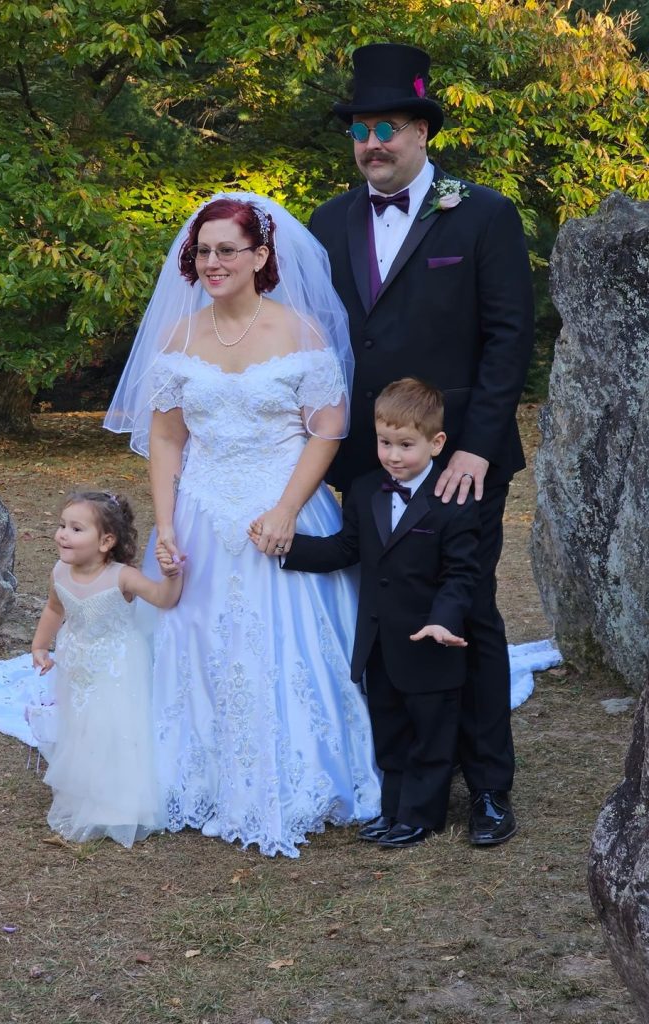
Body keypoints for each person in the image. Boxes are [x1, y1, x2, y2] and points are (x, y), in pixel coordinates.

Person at [104, 194, 380, 858]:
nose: (213, 261)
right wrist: (166, 526)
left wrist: (286, 509)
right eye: (203, 250)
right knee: (194, 644)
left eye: (228, 249)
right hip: (200, 516)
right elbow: (167, 439)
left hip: (282, 509)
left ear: (261, 256)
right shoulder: (180, 338)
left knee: (290, 648)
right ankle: (199, 774)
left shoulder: (299, 332)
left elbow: (328, 429)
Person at [309, 43, 535, 845]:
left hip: (457, 456)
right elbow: (314, 339)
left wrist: (471, 448)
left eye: (389, 127)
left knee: (465, 609)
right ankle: (410, 786)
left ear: (421, 130)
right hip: (368, 456)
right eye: (361, 128)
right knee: (386, 617)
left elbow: (510, 337)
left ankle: (491, 788)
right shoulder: (327, 222)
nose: (373, 142)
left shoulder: (482, 212)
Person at [260, 379, 481, 846]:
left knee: (430, 736)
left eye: (406, 445)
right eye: (385, 443)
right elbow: (346, 548)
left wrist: (443, 619)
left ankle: (421, 816)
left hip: (431, 640)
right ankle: (393, 808)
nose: (393, 456)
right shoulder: (365, 490)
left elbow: (462, 575)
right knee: (391, 729)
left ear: (436, 442)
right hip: (379, 640)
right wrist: (286, 548)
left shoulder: (454, 503)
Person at [31, 491, 182, 848]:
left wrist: (172, 575)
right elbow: (54, 610)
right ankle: (88, 790)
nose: (62, 534)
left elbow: (164, 599)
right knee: (82, 726)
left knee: (114, 727)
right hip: (77, 661)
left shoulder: (123, 578)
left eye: (76, 528)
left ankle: (121, 802)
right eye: (62, 525)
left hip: (117, 665)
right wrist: (40, 645)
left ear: (106, 541)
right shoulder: (59, 572)